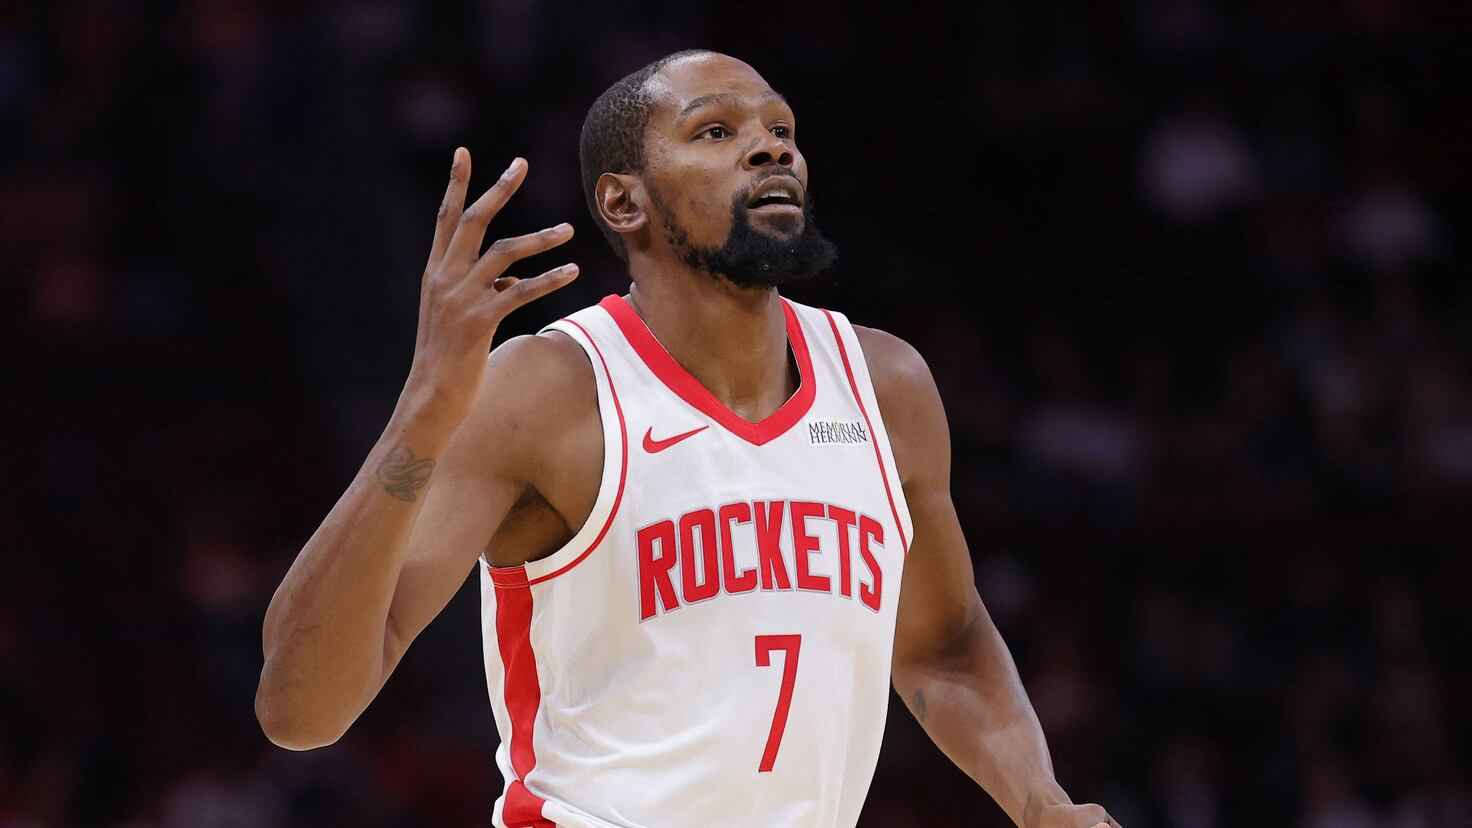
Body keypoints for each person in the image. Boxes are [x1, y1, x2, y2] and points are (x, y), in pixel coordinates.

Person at [255, 49, 1121, 828]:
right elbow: (300, 714)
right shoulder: (549, 391)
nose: (771, 149)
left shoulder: (885, 385)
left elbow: (944, 645)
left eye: (781, 130)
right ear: (623, 200)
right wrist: (420, 415)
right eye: (716, 131)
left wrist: (1040, 802)